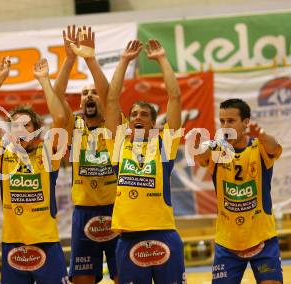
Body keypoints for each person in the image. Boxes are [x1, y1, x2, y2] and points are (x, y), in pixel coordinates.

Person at [0, 58, 69, 283]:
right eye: (15, 125)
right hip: (13, 242)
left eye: (27, 125)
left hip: (46, 241)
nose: (21, 130)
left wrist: (44, 81)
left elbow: (60, 118)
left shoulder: (47, 153)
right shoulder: (3, 155)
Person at [104, 39, 185, 283]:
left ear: (152, 123)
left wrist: (162, 59)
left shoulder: (164, 143)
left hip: (164, 233)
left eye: (144, 114)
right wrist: (124, 61)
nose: (138, 117)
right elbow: (110, 100)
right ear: (128, 121)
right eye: (134, 114)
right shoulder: (119, 143)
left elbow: (175, 97)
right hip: (128, 237)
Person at [53, 25, 119, 283]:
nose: (89, 96)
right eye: (84, 93)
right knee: (82, 280)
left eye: (93, 93)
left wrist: (90, 60)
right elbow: (56, 96)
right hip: (84, 212)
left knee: (123, 276)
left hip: (116, 210)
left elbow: (109, 95)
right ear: (80, 102)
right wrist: (69, 60)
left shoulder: (116, 123)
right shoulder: (74, 124)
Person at [192, 98, 283, 284]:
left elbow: (274, 147)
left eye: (231, 121)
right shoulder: (217, 151)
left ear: (246, 122)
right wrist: (201, 145)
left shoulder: (259, 147)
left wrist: (263, 135)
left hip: (262, 239)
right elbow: (201, 156)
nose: (225, 126)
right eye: (222, 121)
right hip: (228, 243)